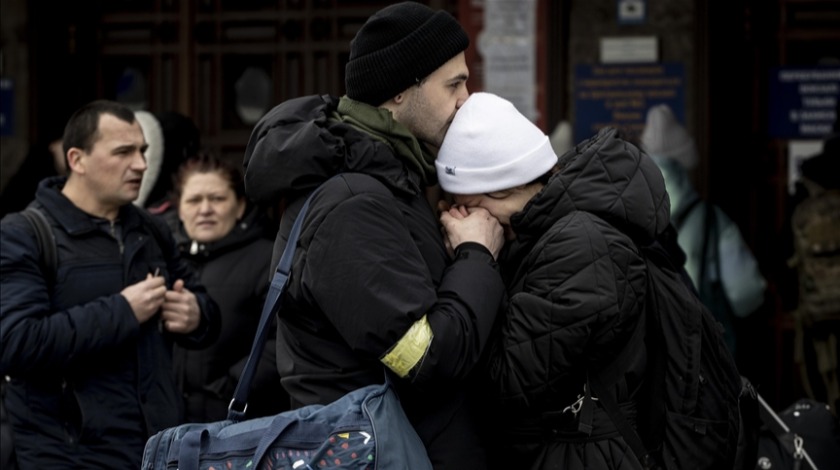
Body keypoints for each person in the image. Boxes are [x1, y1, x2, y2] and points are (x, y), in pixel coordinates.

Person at [242, 2, 506, 467]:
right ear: (402, 92)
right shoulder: (352, 205)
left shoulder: (392, 182)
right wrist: (475, 254)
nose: (467, 98)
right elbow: (427, 360)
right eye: (455, 83)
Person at [435, 92, 669, 469]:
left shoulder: (579, 247)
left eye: (467, 205)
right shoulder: (543, 236)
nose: (459, 217)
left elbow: (507, 385)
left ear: (501, 187)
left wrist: (474, 257)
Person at [0, 99, 220, 469]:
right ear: (77, 160)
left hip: (155, 450)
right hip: (66, 454)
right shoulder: (23, 234)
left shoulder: (151, 229)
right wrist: (123, 311)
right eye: (123, 152)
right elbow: (16, 342)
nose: (141, 164)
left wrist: (196, 315)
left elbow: (205, 308)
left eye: (143, 151)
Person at [167, 154, 287, 422]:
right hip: (169, 425)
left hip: (241, 422)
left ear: (240, 206)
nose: (205, 209)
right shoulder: (165, 260)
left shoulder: (269, 259)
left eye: (217, 199)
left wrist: (234, 387)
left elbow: (284, 338)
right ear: (180, 209)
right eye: (194, 200)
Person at [640, 104, 766, 356]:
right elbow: (745, 293)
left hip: (648, 356)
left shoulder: (630, 218)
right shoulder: (713, 221)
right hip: (703, 354)